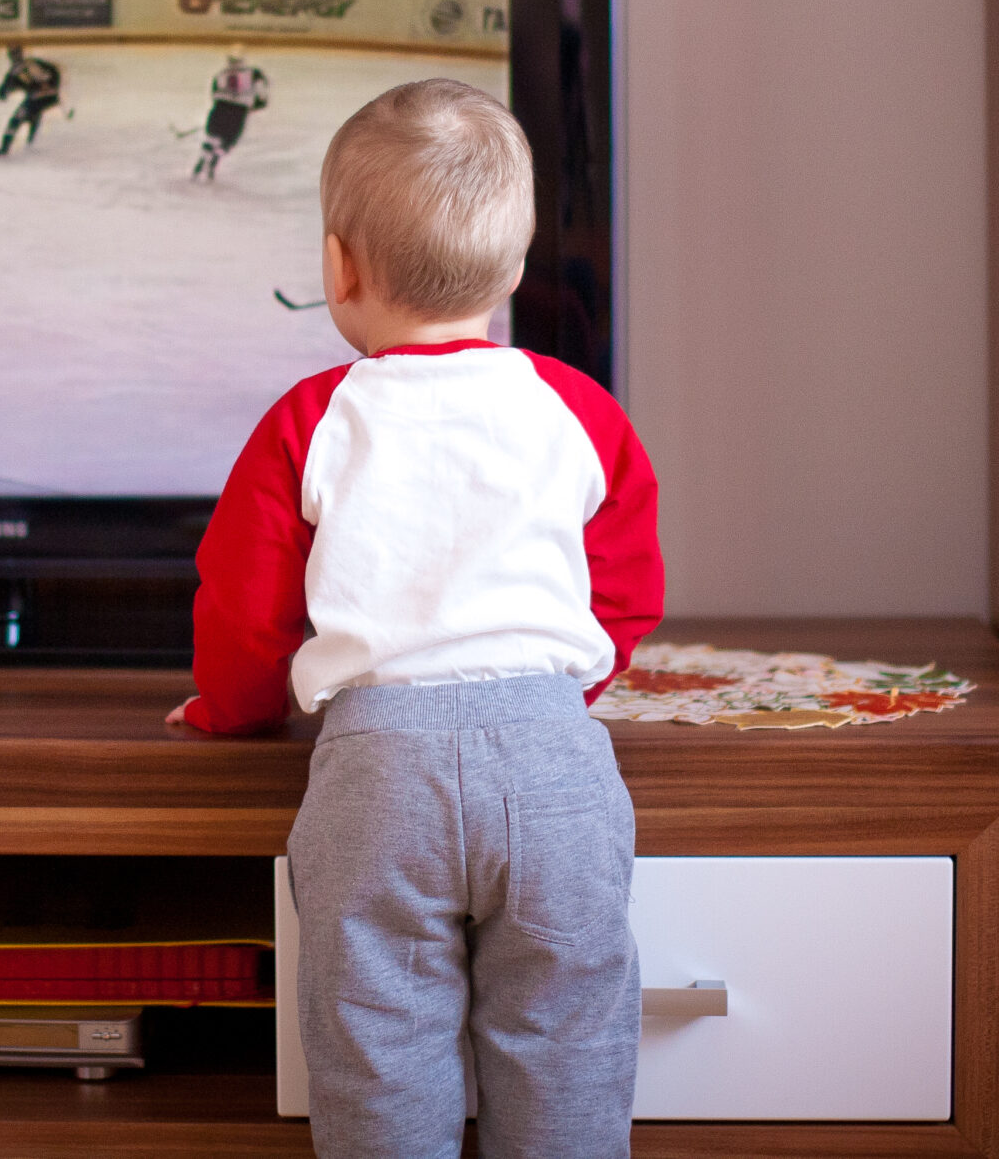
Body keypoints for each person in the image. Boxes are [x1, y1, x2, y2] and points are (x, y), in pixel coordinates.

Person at [170, 78, 663, 1159]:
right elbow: (623, 587)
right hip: (557, 772)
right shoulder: (579, 409)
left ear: (338, 267)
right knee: (569, 1041)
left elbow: (245, 611)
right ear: (514, 269)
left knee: (377, 1050)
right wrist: (556, 690)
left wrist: (225, 713)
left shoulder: (311, 418)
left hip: (376, 779)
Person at [192, 49, 270, 182]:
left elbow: (214, 95)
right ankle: (213, 163)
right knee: (228, 141)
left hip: (220, 109)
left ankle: (203, 161)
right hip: (237, 113)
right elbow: (263, 98)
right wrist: (253, 105)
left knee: (213, 137)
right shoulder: (254, 74)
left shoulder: (220, 75)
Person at [0, 41, 63, 156]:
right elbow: (55, 70)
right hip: (51, 97)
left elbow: (2, 94)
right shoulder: (33, 62)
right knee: (34, 112)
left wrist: (5, 92)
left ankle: (4, 149)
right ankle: (30, 142)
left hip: (36, 99)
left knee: (15, 121)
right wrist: (55, 87)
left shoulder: (13, 73)